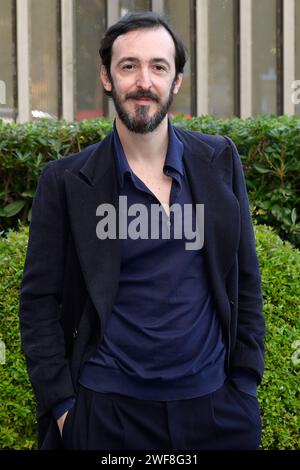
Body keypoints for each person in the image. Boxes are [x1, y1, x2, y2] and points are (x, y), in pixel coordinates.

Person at [19, 12, 265, 451]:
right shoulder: (65, 182)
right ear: (107, 77)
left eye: (158, 66)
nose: (143, 81)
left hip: (213, 411)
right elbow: (39, 301)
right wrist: (61, 408)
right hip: (105, 414)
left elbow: (245, 277)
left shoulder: (219, 161)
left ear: (176, 81)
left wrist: (245, 385)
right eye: (128, 65)